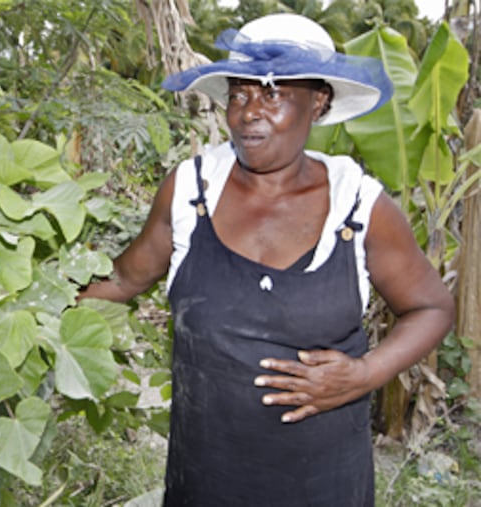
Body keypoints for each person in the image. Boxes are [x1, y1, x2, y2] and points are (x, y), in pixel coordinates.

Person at [79, 12, 455, 507]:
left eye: (273, 93)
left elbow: (432, 308)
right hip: (207, 477)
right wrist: (29, 305)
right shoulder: (192, 191)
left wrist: (365, 374)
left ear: (317, 102)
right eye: (239, 94)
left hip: (325, 483)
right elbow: (124, 280)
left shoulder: (358, 206)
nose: (249, 111)